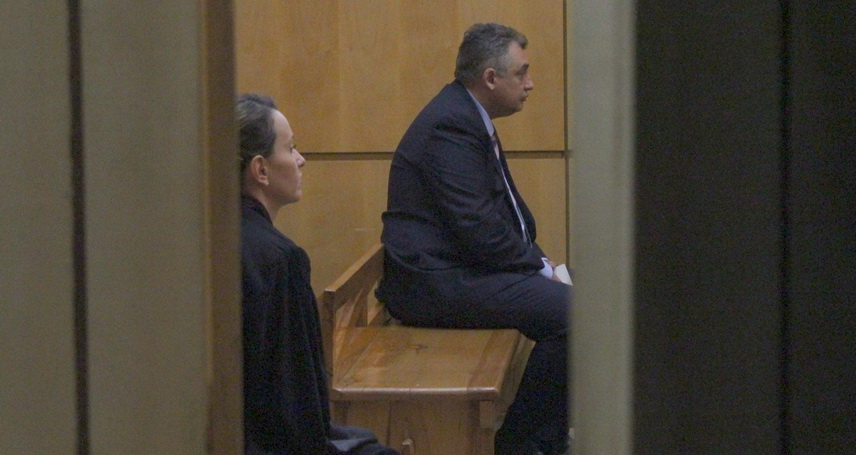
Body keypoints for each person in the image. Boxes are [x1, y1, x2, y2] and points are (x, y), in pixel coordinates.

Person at [376, 24, 571, 455]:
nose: (530, 84)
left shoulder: (464, 115)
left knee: (583, 296)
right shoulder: (451, 125)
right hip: (434, 282)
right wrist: (541, 270)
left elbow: (505, 218)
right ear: (490, 78)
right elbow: (478, 228)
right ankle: (523, 445)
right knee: (575, 316)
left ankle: (545, 438)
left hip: (460, 267)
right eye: (522, 73)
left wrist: (544, 266)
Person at [238, 93, 399, 455]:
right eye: (290, 148)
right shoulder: (280, 260)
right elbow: (297, 404)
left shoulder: (205, 241)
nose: (301, 159)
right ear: (260, 170)